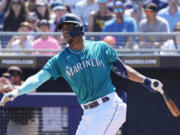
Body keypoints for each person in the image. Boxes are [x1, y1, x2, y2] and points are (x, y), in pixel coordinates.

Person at [0, 13, 164, 135]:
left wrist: (145, 80)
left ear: (79, 27)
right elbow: (38, 78)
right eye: (62, 29)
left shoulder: (100, 47)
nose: (64, 32)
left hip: (109, 105)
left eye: (67, 27)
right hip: (89, 112)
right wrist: (17, 91)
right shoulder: (60, 60)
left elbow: (122, 69)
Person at [0, 66, 39, 135]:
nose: (13, 77)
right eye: (11, 75)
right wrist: (3, 86)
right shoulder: (6, 86)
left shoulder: (24, 84)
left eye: (16, 75)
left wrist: (10, 87)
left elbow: (33, 89)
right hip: (15, 122)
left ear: (20, 77)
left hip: (30, 122)